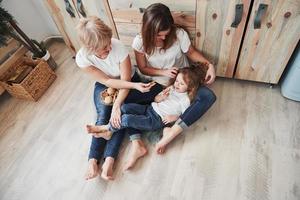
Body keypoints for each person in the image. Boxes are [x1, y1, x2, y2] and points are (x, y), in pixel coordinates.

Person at [75, 16, 160, 180]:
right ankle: (93, 160)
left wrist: (117, 105)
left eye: (109, 43)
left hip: (127, 81)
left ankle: (109, 160)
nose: (109, 47)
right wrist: (113, 106)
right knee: (103, 115)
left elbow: (125, 80)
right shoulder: (82, 58)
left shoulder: (118, 47)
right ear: (90, 48)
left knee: (118, 113)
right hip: (106, 84)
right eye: (104, 48)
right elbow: (106, 81)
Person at [131, 3, 217, 154]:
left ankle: (172, 132)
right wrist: (163, 72)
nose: (163, 37)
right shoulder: (140, 42)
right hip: (156, 83)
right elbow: (143, 68)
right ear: (148, 30)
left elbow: (190, 52)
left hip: (181, 82)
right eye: (159, 35)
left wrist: (209, 64)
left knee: (208, 96)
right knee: (125, 103)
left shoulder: (178, 34)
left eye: (166, 33)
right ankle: (136, 143)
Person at [86, 65, 207, 138]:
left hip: (156, 120)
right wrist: (161, 97)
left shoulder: (185, 99)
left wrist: (174, 117)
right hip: (150, 109)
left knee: (127, 119)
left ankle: (107, 129)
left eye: (181, 84)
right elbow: (155, 99)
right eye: (176, 81)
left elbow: (185, 116)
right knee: (124, 108)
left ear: (190, 88)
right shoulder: (170, 88)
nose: (177, 85)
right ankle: (111, 131)